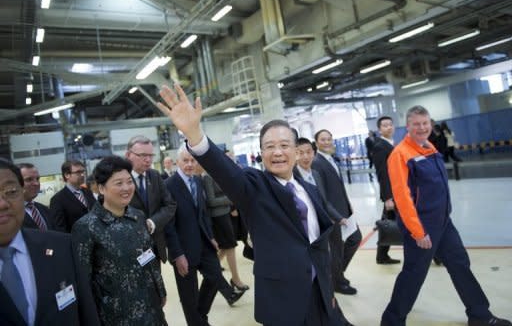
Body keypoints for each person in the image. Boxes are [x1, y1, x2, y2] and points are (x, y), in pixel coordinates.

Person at [158, 84, 353, 326]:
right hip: (284, 302)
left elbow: (319, 247)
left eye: (284, 145)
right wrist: (194, 134)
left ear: (295, 151)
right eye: (269, 146)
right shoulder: (254, 187)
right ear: (261, 153)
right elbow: (226, 171)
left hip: (321, 294)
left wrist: (329, 289)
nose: (278, 152)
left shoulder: (310, 191)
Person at [380, 105, 511, 326]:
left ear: (430, 124)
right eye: (416, 124)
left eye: (425, 123)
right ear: (408, 126)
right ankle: (391, 322)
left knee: (460, 263)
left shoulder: (429, 147)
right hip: (421, 227)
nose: (422, 128)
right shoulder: (400, 154)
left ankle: (479, 315)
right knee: (413, 275)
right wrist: (418, 231)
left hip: (443, 222)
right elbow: (402, 198)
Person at [0, 158, 100, 326]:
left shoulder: (63, 247)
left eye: (10, 192)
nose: (2, 204)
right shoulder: (58, 200)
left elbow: (86, 313)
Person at [72, 156, 167, 325]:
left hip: (152, 309)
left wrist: (160, 290)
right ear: (101, 188)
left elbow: (149, 258)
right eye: (118, 183)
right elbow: (83, 282)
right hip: (116, 316)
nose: (127, 188)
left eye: (129, 181)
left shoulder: (137, 216)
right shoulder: (87, 227)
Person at [164, 146, 245, 326]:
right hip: (183, 248)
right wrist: (177, 254)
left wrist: (211, 236)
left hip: (204, 243)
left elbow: (203, 212)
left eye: (193, 160)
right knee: (189, 295)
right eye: (186, 160)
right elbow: (168, 225)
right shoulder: (169, 185)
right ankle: (198, 322)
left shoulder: (199, 181)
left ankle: (200, 317)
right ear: (178, 161)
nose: (190, 164)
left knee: (215, 277)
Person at [312, 129, 362, 295]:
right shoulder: (317, 163)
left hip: (343, 211)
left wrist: (348, 206)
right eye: (323, 140)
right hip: (333, 216)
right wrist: (335, 216)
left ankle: (336, 275)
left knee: (355, 238)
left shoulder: (330, 159)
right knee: (337, 248)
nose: (327, 142)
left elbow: (338, 187)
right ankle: (338, 282)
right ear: (317, 142)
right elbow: (322, 195)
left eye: (329, 139)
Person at [126, 135, 176, 264]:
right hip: (131, 246)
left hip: (155, 244)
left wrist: (153, 222)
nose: (148, 160)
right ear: (128, 155)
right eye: (143, 155)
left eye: (150, 155)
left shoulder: (154, 176)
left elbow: (170, 205)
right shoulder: (120, 178)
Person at [202, 171, 249, 291]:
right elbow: (211, 201)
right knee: (230, 246)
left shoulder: (217, 173)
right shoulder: (207, 176)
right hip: (218, 217)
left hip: (225, 213)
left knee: (226, 247)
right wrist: (230, 199)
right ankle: (235, 279)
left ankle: (211, 271)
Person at [371, 117, 401, 265]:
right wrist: (388, 197)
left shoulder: (391, 144)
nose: (389, 127)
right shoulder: (380, 146)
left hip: (398, 191)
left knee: (387, 223)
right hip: (393, 194)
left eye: (390, 124)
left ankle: (382, 256)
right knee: (389, 223)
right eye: (385, 125)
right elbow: (382, 173)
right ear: (379, 129)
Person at [50, 160, 96, 233]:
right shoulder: (57, 199)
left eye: (83, 171)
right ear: (67, 175)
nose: (82, 175)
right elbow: (59, 228)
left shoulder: (87, 192)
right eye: (78, 172)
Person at [18, 163, 56, 231]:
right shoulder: (10, 214)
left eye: (37, 179)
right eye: (29, 179)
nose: (36, 183)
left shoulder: (44, 209)